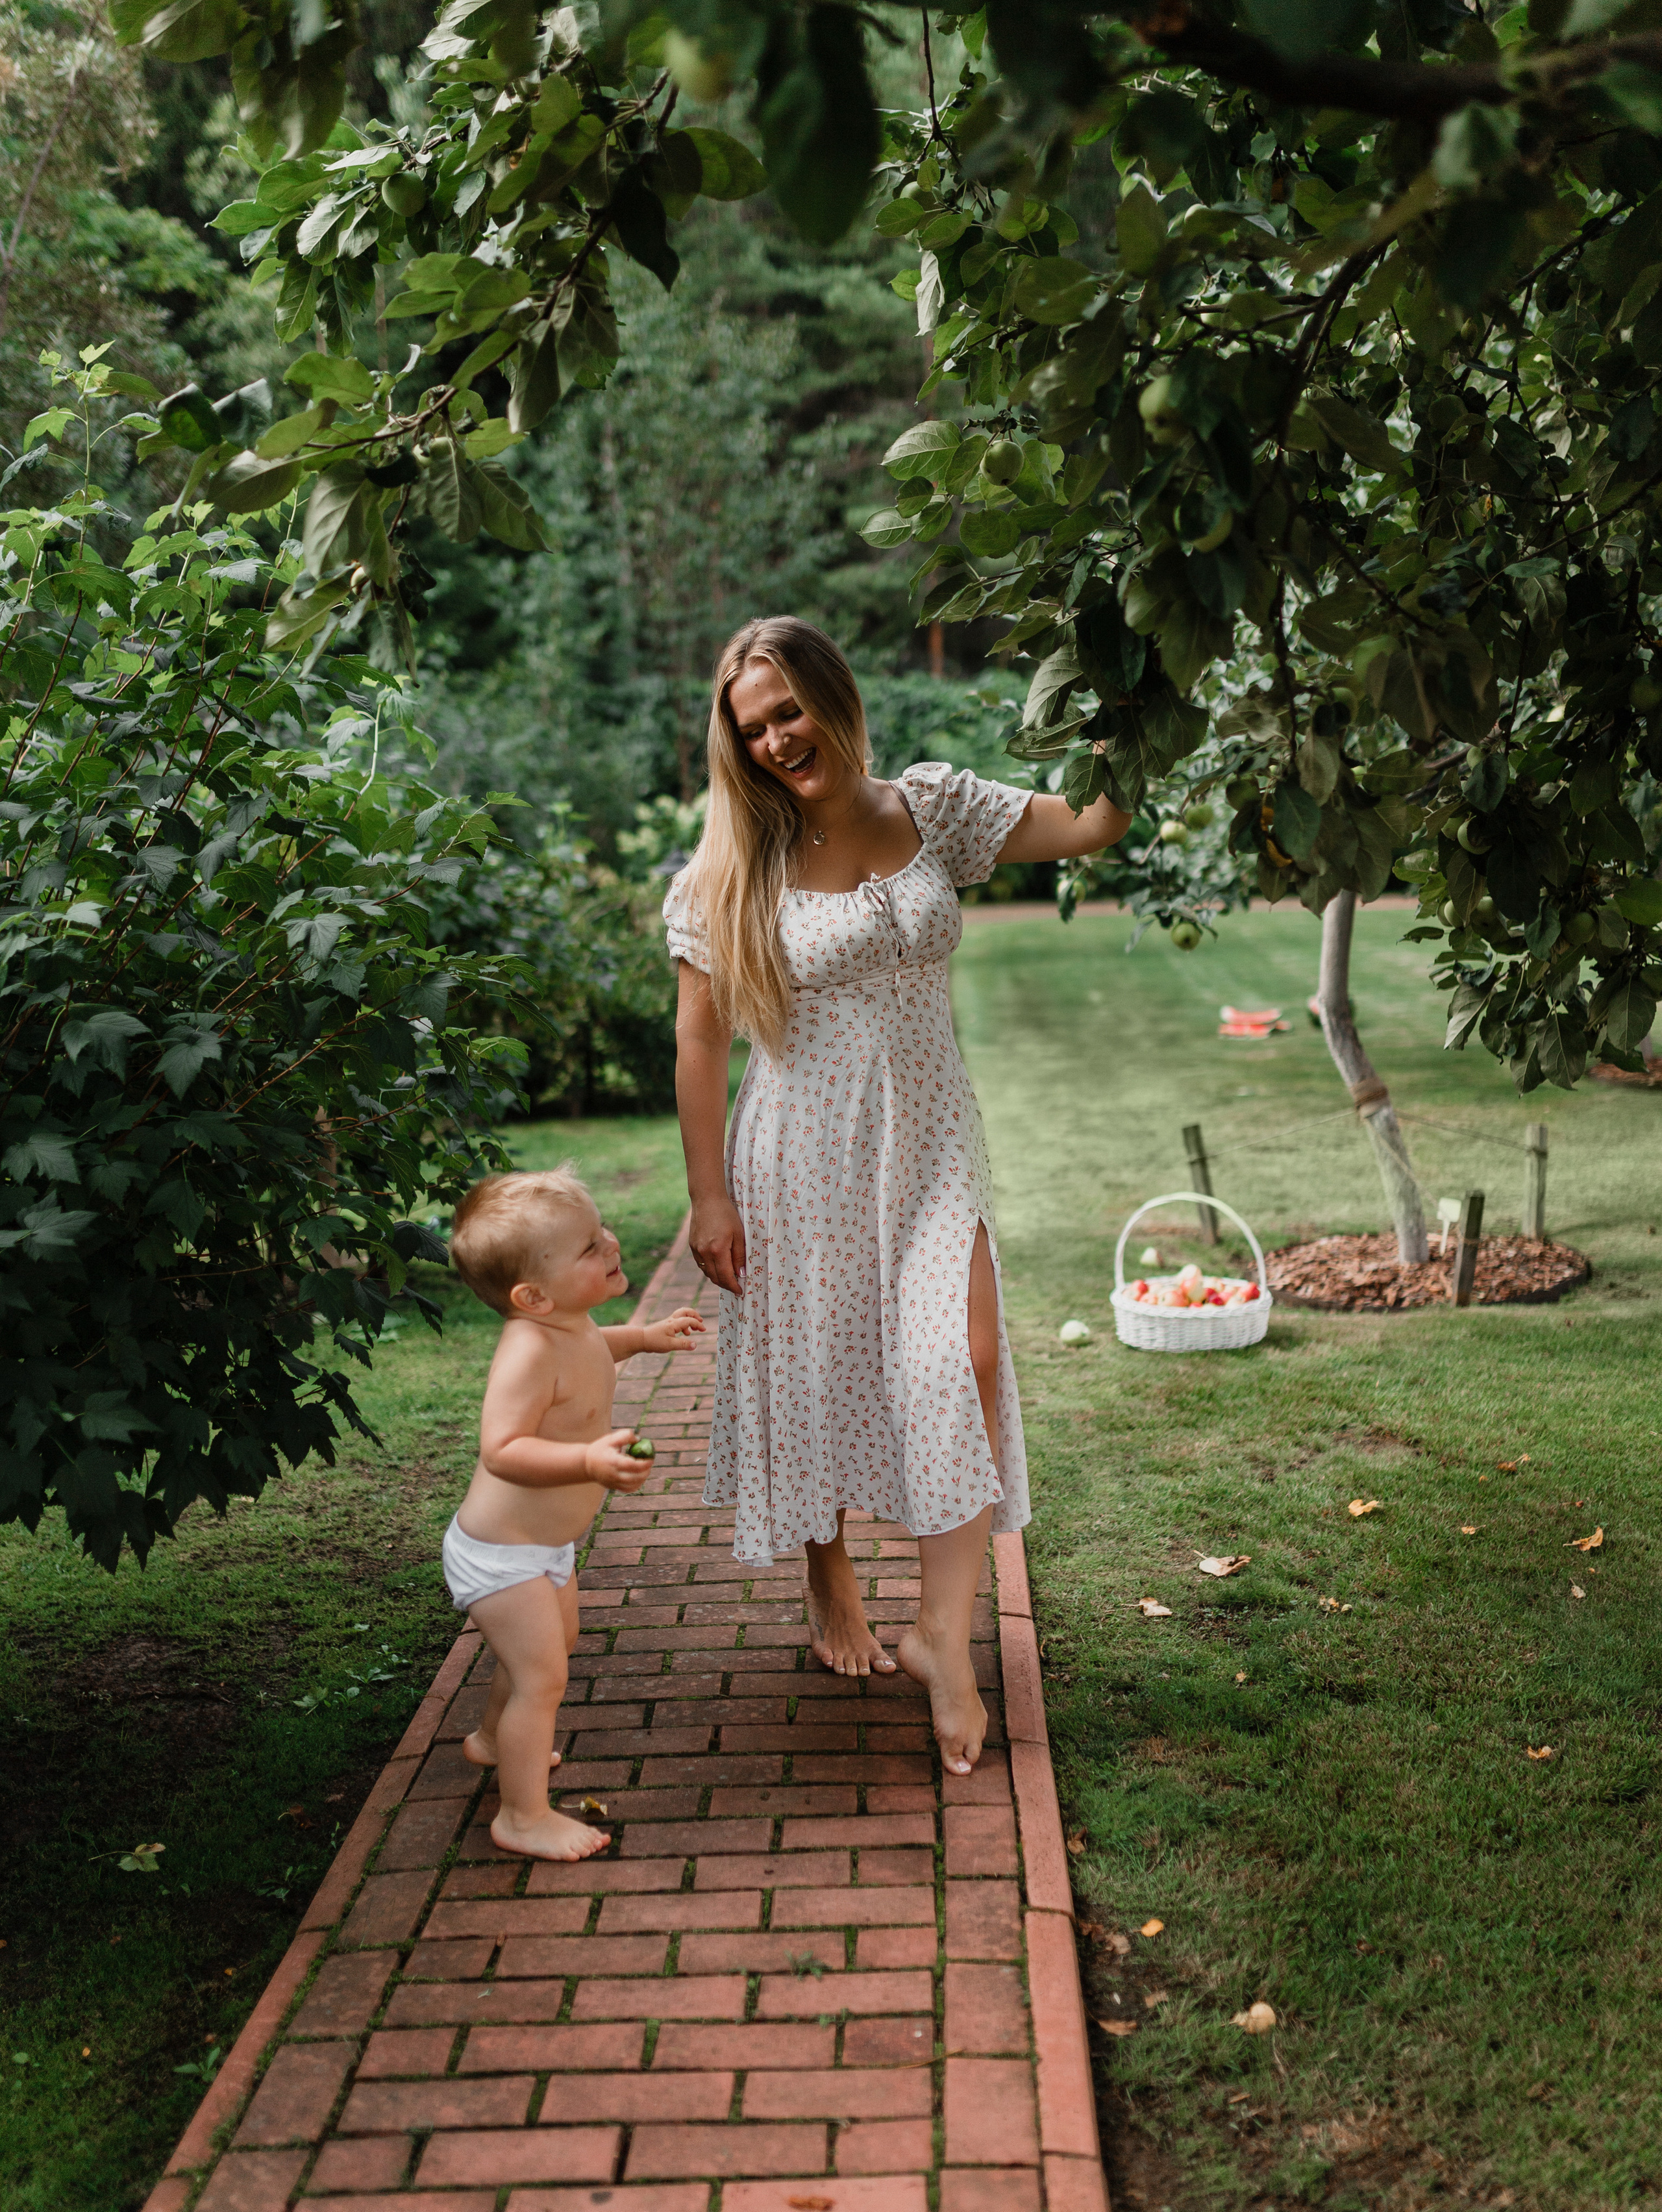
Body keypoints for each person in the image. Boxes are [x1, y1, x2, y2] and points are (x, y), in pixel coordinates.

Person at [665, 617, 1130, 1774]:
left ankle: (940, 1635)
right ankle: (827, 1573)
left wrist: (1130, 698)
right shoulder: (732, 868)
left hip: (930, 1145)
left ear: (833, 696)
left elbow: (1095, 822)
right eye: (753, 725)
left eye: (789, 712)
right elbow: (698, 1038)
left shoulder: (931, 807)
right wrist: (708, 1197)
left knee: (961, 1359)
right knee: (817, 1365)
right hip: (799, 1153)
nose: (776, 740)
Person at [443, 1167, 705, 1859]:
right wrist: (588, 1462)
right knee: (543, 1676)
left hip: (542, 1545)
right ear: (532, 1294)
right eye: (589, 1246)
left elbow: (594, 1348)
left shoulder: (568, 1320)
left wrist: (643, 1336)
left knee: (550, 1646)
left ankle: (495, 1740)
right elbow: (501, 1449)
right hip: (501, 1552)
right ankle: (522, 1815)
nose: (610, 1242)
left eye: (600, 1229)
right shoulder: (527, 1349)